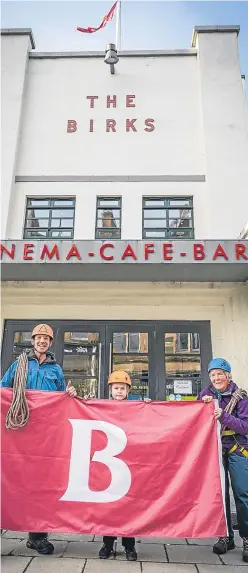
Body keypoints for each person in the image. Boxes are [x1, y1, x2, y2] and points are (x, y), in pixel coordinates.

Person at [1, 323, 77, 555]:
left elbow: (60, 399)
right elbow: (4, 390)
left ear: (50, 343)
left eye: (46, 338)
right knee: (11, 478)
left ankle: (37, 536)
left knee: (41, 483)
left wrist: (70, 394)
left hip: (44, 434)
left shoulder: (55, 370)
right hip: (20, 430)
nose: (42, 341)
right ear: (32, 340)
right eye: (39, 338)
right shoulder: (19, 364)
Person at [198, 358, 248, 563]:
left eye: (220, 374)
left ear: (228, 375)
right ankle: (225, 537)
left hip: (238, 450)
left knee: (242, 493)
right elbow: (192, 418)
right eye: (213, 375)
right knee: (219, 495)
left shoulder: (241, 397)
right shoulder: (204, 395)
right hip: (215, 450)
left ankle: (246, 538)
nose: (217, 378)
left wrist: (223, 417)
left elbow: (246, 427)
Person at [98, 370, 151, 561]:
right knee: (109, 506)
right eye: (116, 388)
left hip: (129, 463)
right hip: (109, 465)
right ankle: (107, 544)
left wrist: (147, 408)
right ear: (110, 390)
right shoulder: (102, 407)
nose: (119, 391)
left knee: (128, 506)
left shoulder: (135, 407)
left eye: (122, 388)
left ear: (128, 390)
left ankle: (129, 546)